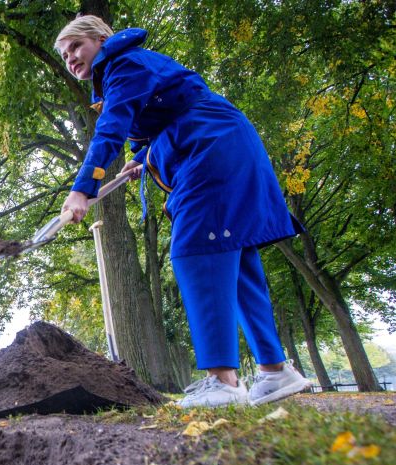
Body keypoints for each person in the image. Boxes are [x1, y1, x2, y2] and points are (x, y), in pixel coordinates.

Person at [55, 16, 310, 408]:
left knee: (195, 249)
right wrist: (144, 157)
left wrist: (81, 189)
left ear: (100, 39)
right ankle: (276, 372)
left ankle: (222, 381)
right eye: (64, 54)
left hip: (210, 148)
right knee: (236, 259)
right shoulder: (131, 69)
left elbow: (111, 130)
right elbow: (171, 114)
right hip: (219, 141)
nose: (70, 57)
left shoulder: (124, 65)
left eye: (75, 46)